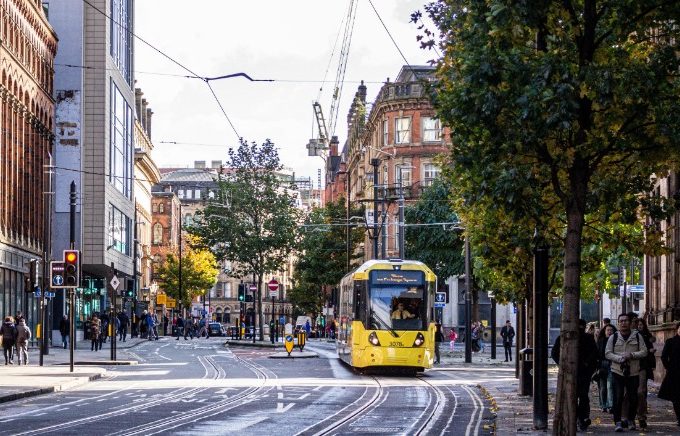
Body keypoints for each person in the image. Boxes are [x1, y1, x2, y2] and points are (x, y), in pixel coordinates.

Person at [550, 319, 598, 431]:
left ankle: (582, 418)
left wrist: (587, 366)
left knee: (581, 396)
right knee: (575, 396)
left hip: (583, 373)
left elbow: (594, 354)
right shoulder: (565, 337)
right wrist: (563, 365)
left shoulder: (588, 339)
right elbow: (554, 353)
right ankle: (578, 418)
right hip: (572, 371)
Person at [605, 313, 648, 432]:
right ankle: (618, 422)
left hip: (633, 372)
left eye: (626, 321)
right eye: (621, 321)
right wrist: (619, 358)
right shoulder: (613, 337)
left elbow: (644, 352)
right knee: (618, 397)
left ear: (630, 323)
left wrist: (632, 355)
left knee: (633, 397)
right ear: (618, 323)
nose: (623, 323)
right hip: (617, 371)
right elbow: (607, 353)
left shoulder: (638, 336)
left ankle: (630, 419)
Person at [658, 322, 680, 427]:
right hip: (675, 373)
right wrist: (669, 368)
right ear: (677, 329)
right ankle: (679, 418)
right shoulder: (671, 342)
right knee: (676, 397)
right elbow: (663, 357)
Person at [635, 318, 655, 429]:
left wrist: (649, 351)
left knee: (641, 392)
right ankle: (628, 417)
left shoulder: (647, 335)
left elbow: (650, 348)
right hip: (631, 367)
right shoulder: (632, 336)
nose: (639, 326)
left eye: (641, 324)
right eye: (638, 324)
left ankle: (641, 417)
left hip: (643, 366)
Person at [596, 324, 616, 413]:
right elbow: (596, 354)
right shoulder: (600, 341)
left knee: (610, 386)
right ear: (604, 331)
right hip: (602, 365)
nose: (609, 332)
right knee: (602, 387)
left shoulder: (616, 341)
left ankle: (610, 405)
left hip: (612, 364)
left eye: (611, 330)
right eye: (608, 330)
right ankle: (603, 405)